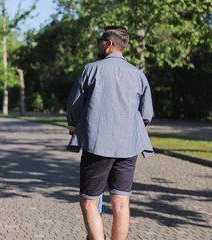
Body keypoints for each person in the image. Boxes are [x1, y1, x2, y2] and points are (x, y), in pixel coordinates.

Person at [66, 26, 154, 240]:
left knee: (89, 201)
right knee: (121, 202)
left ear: (109, 44)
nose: (99, 43)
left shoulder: (90, 69)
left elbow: (74, 106)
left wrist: (74, 124)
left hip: (98, 145)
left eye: (101, 40)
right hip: (128, 147)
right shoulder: (138, 75)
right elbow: (146, 114)